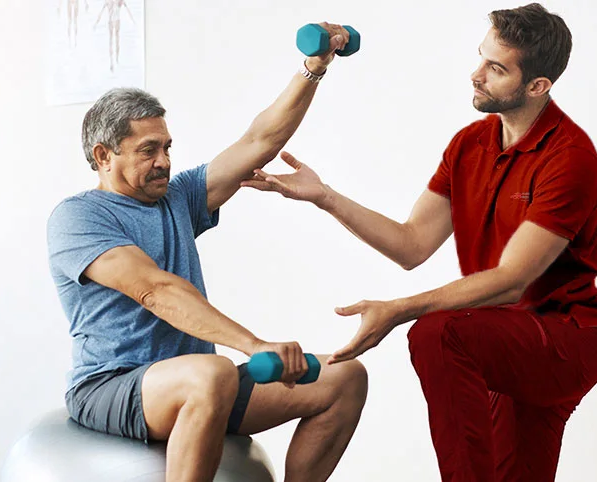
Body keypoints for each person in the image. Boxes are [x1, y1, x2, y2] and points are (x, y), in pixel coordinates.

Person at [241, 5, 597, 481]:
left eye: (496, 69)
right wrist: (325, 198)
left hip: (564, 339)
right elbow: (412, 244)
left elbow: (512, 281)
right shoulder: (469, 145)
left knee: (437, 332)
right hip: (499, 341)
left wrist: (400, 309)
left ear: (538, 86)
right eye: (481, 58)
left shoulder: (569, 158)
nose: (476, 75)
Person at [45, 23, 368, 482]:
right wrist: (254, 346)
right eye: (148, 150)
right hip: (115, 385)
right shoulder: (79, 217)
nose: (164, 161)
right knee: (213, 372)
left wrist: (314, 67)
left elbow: (260, 141)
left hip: (201, 383)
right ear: (103, 155)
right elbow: (154, 289)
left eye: (168, 147)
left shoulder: (178, 197)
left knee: (345, 378)